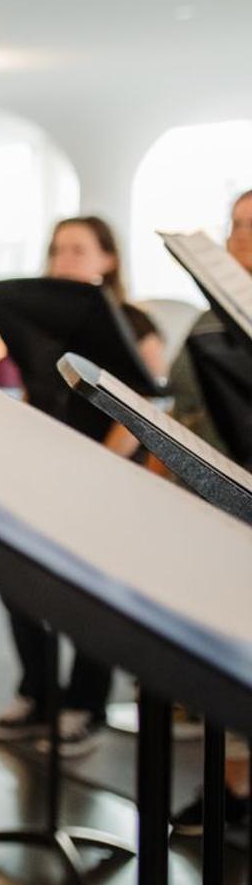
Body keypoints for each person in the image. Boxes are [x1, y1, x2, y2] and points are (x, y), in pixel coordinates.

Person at [0, 215, 167, 757]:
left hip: (107, 472)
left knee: (91, 590)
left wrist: (101, 463)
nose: (65, 259)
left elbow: (148, 402)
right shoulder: (32, 322)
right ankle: (37, 692)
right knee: (17, 578)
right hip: (44, 468)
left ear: (109, 259)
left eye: (79, 249)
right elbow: (29, 388)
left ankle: (86, 704)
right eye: (58, 249)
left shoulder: (134, 321)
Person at [161, 190, 252, 841]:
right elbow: (179, 407)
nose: (242, 239)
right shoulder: (204, 322)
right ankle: (231, 784)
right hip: (213, 505)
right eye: (236, 226)